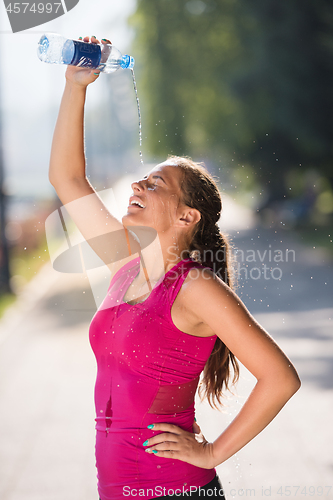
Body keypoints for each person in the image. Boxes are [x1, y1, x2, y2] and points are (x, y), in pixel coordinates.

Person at [48, 36, 301, 500]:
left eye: (157, 182)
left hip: (175, 491)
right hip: (116, 489)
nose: (139, 182)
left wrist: (211, 454)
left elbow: (281, 377)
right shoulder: (125, 263)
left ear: (187, 217)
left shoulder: (196, 287)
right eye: (145, 176)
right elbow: (66, 178)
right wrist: (76, 86)